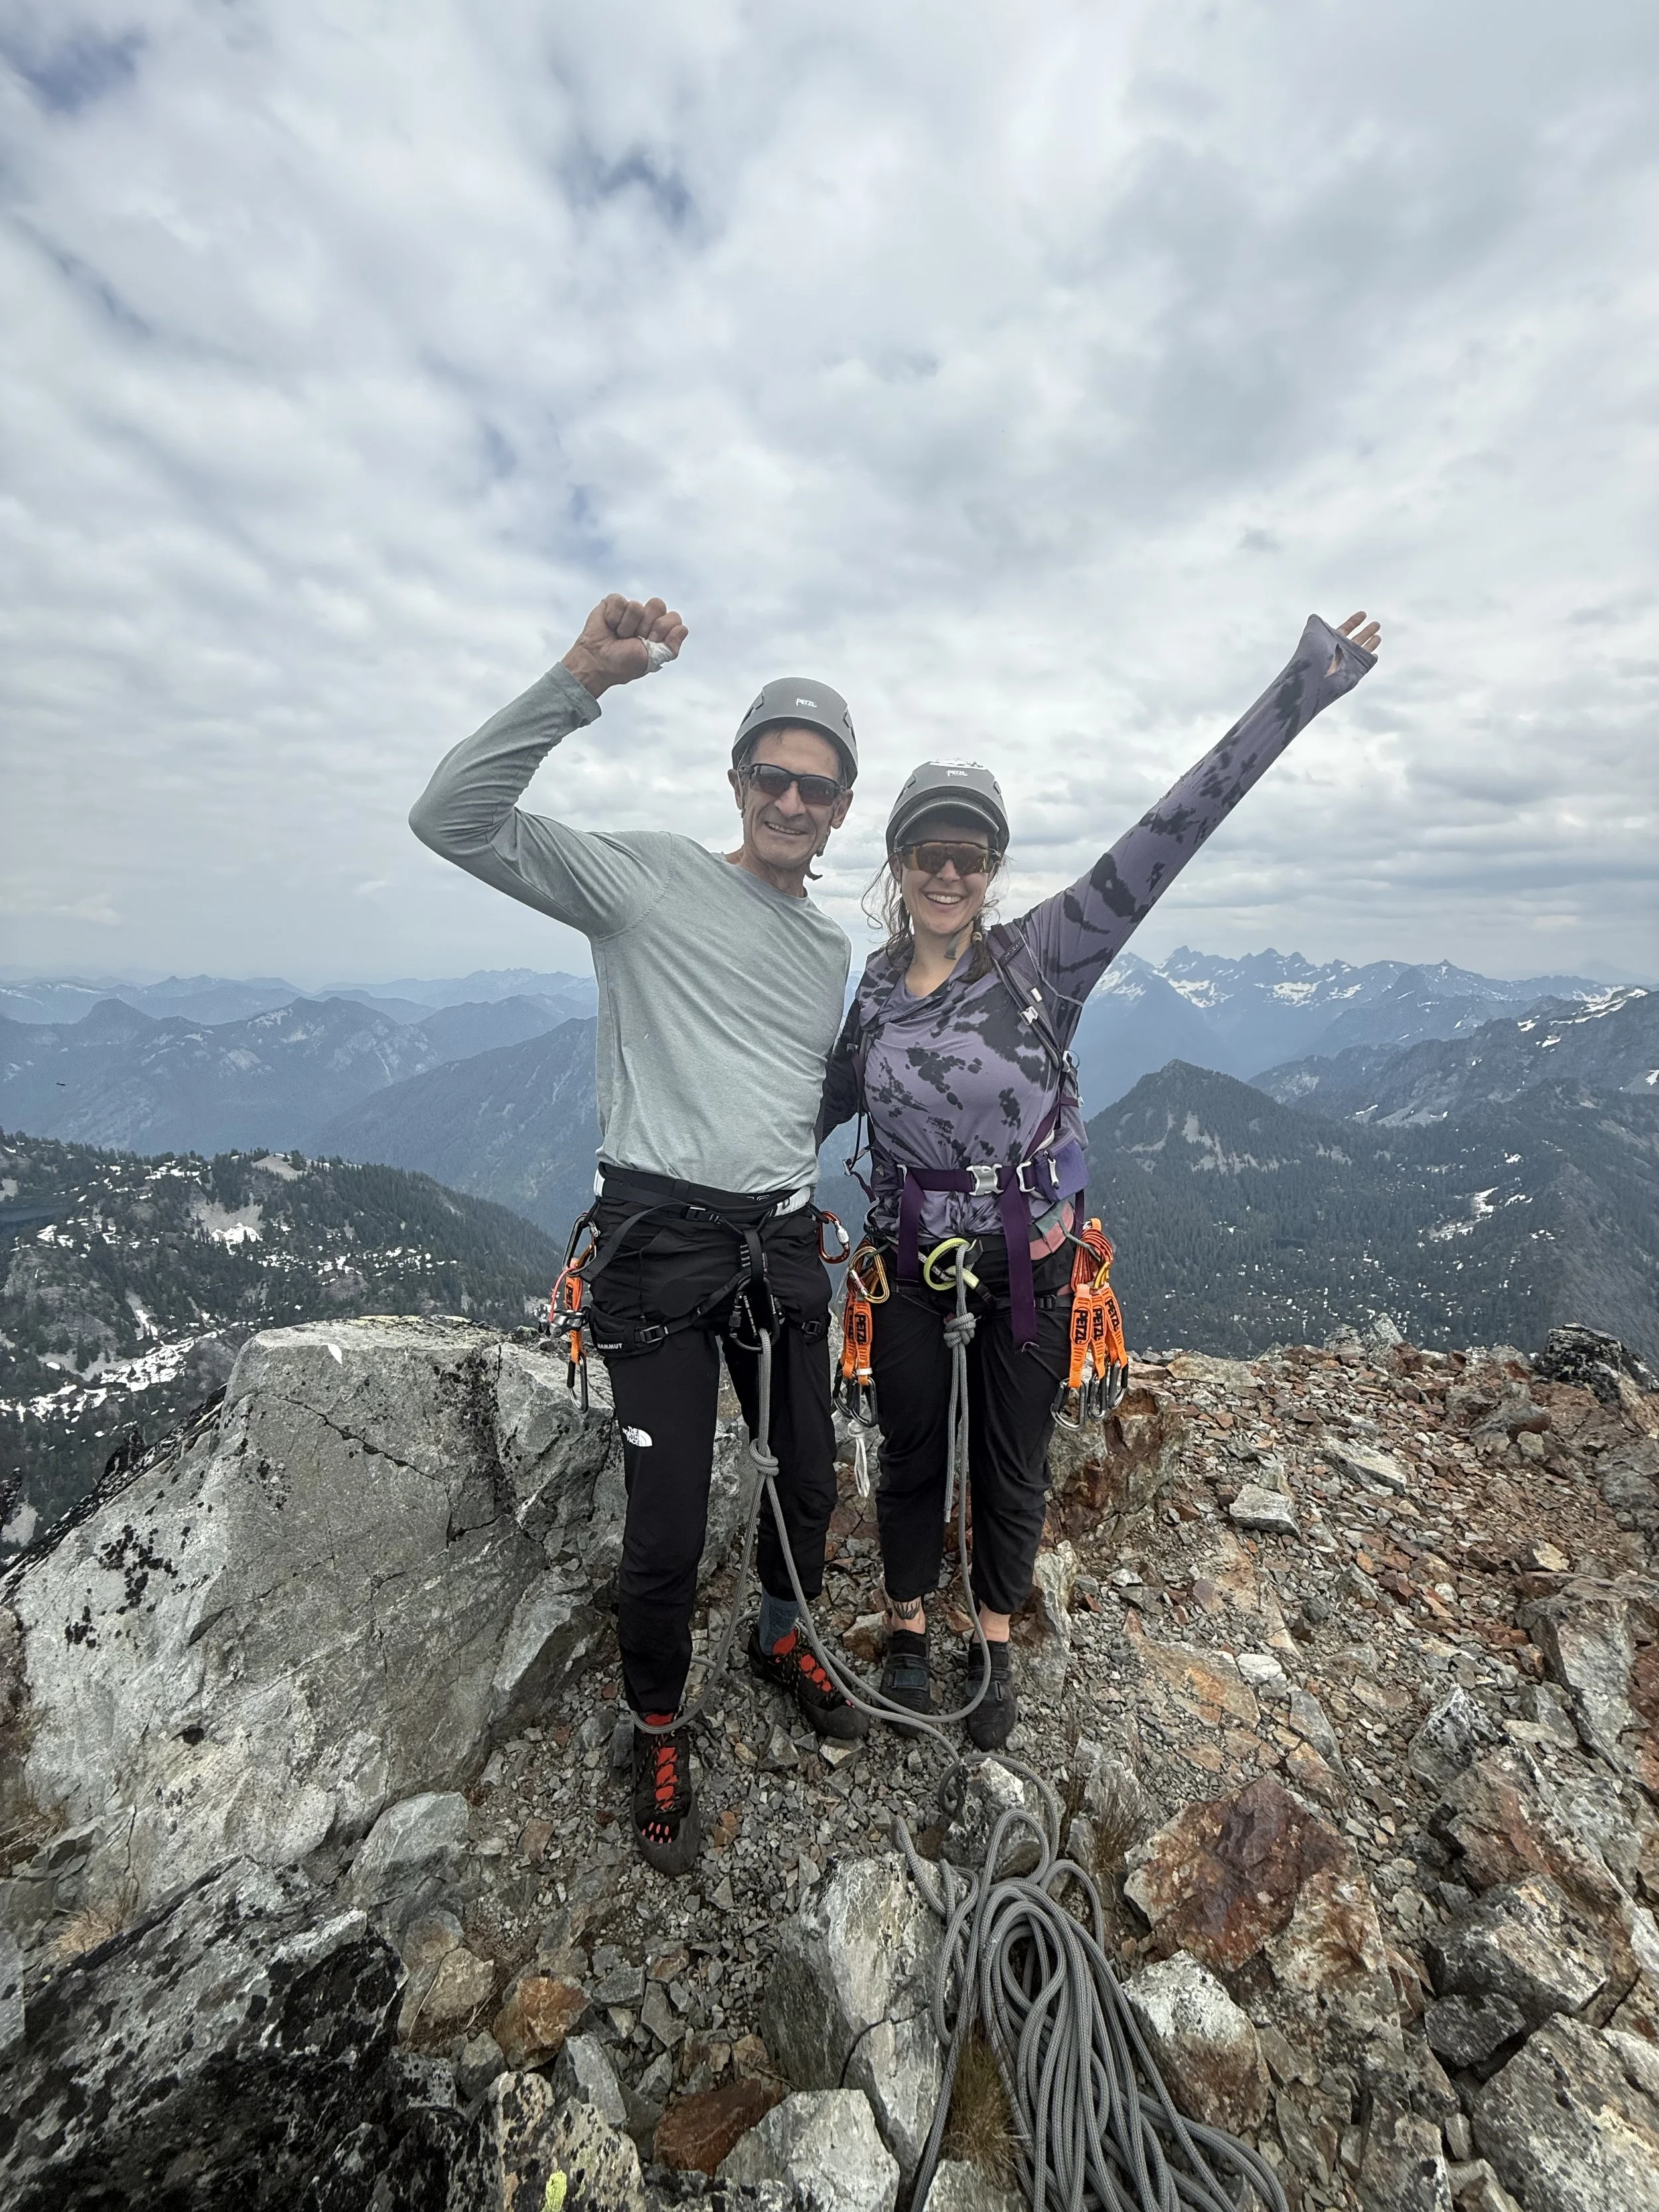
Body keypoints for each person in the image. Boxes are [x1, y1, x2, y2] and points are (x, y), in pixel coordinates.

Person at [818, 610, 1383, 1749]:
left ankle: (992, 1638)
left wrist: (1301, 690)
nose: (947, 870)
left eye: (969, 853)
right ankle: (909, 1630)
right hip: (908, 1269)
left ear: (993, 867)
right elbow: (814, 1106)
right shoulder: (873, 989)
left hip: (1032, 1266)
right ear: (897, 863)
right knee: (914, 1454)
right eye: (927, 850)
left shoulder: (1045, 957)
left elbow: (1173, 829)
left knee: (1015, 1464)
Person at [409, 593, 869, 1878]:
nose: (791, 802)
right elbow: (450, 820)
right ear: (737, 781)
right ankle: (655, 1720)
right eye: (774, 778)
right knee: (665, 1525)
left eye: (817, 790)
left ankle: (782, 1629)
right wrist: (578, 677)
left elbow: (795, 1091)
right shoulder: (645, 879)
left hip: (775, 1242)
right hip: (660, 1245)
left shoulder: (828, 945)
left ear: (842, 811)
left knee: (806, 1481)